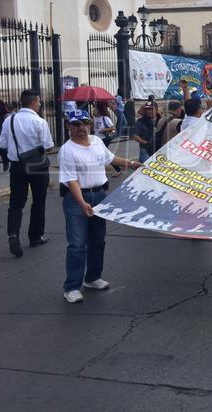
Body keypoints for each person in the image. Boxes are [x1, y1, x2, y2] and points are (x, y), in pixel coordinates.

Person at [59, 110, 142, 303]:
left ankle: (92, 277)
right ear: (69, 126)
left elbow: (110, 159)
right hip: (78, 199)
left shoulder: (96, 142)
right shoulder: (67, 150)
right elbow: (71, 181)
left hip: (99, 195)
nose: (81, 128)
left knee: (98, 241)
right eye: (76, 124)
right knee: (77, 245)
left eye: (84, 123)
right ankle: (71, 287)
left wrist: (131, 163)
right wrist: (82, 203)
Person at [0, 90, 54, 257]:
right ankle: (35, 236)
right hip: (37, 166)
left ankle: (13, 234)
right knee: (38, 201)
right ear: (34, 102)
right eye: (39, 102)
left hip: (17, 166)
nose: (40, 104)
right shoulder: (39, 122)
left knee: (15, 203)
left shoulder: (9, 120)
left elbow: (1, 143)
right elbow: (48, 145)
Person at [92, 102, 122, 177]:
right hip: (97, 139)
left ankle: (117, 169)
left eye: (95, 108)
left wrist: (104, 130)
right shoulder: (94, 118)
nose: (94, 110)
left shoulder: (105, 118)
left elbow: (112, 128)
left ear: (99, 109)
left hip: (104, 139)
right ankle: (118, 169)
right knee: (106, 155)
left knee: (102, 155)